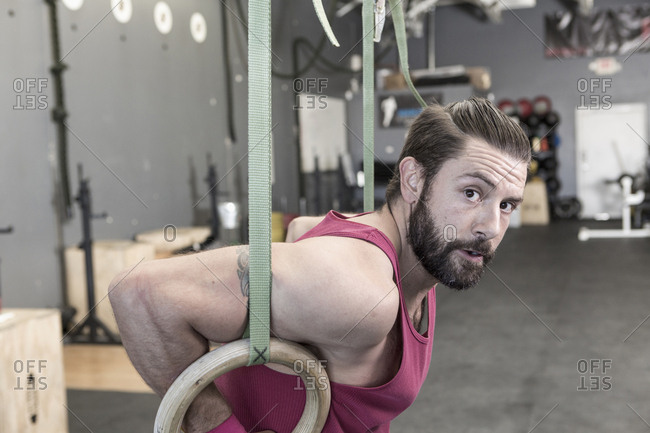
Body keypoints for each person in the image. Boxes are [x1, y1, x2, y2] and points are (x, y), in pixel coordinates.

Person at [109, 97, 530, 433]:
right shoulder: (362, 293)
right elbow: (143, 293)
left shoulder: (423, 259)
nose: (490, 227)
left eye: (507, 204)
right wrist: (219, 427)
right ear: (414, 180)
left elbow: (305, 230)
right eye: (472, 193)